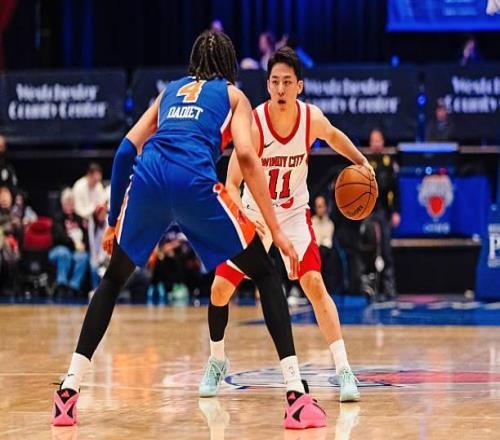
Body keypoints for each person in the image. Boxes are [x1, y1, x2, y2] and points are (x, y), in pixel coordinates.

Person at [52, 31, 326, 430]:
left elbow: (125, 151)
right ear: (229, 65)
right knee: (266, 274)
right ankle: (296, 397)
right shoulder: (233, 96)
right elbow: (246, 156)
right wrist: (276, 230)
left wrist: (112, 222)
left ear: (193, 62)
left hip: (149, 179)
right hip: (195, 182)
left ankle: (68, 391)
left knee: (112, 280)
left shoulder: (169, 92)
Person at [199, 47, 375, 403]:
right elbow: (231, 182)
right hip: (254, 213)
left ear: (299, 86)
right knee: (219, 290)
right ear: (267, 85)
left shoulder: (310, 118)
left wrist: (361, 161)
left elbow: (334, 136)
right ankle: (217, 359)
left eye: (287, 82)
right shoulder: (254, 124)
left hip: (293, 213)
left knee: (314, 284)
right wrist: (243, 218)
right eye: (275, 82)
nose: (281, 89)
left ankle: (343, 368)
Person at [367, 128, 400, 301]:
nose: (376, 143)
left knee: (386, 250)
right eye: (373, 140)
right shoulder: (364, 163)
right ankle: (371, 289)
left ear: (383, 142)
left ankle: (389, 288)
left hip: (384, 212)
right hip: (368, 212)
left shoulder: (389, 163)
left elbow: (396, 190)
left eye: (378, 140)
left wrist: (396, 211)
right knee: (371, 249)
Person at [49, 188, 90, 297]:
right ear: (62, 203)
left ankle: (74, 287)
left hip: (76, 250)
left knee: (83, 256)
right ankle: (61, 284)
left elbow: (86, 236)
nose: (70, 205)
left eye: (71, 202)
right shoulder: (57, 218)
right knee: (64, 253)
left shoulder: (79, 219)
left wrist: (84, 244)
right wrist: (74, 244)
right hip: (58, 249)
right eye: (67, 202)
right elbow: (60, 237)